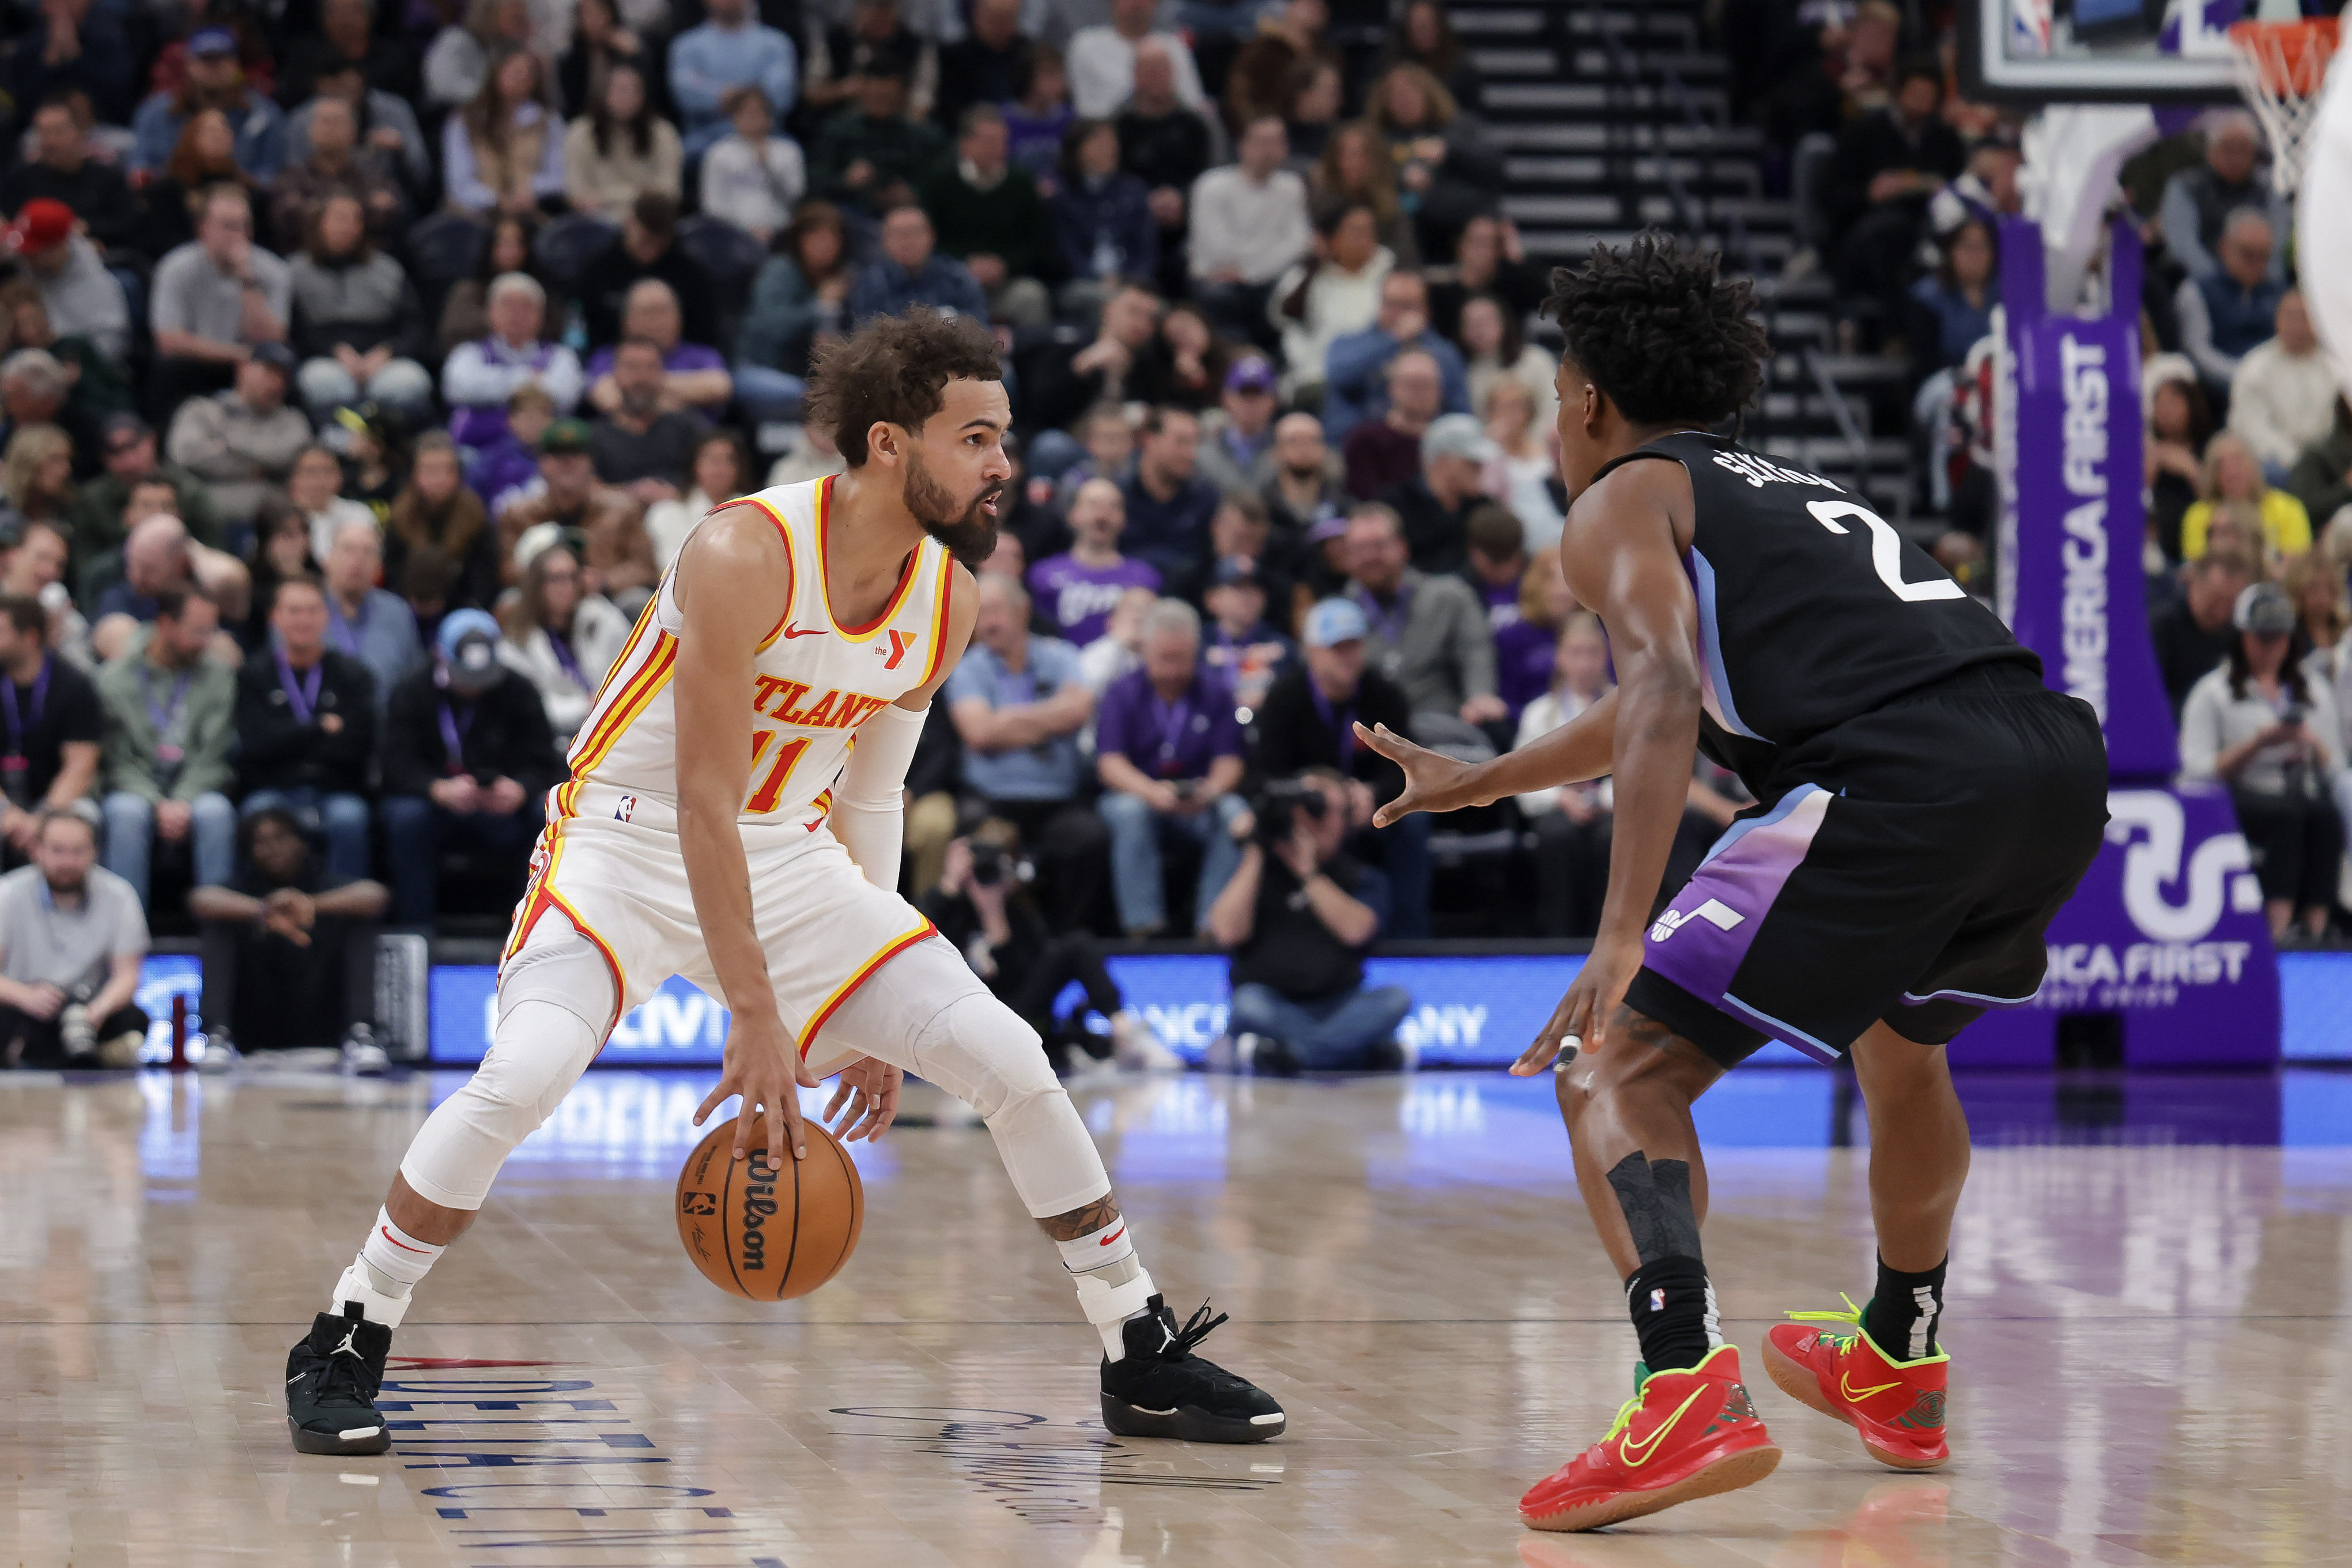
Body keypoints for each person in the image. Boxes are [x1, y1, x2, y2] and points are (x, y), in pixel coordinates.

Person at [283, 307, 1281, 1457]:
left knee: (1009, 1060)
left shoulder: (945, 596)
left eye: (1004, 436)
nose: (1005, 462)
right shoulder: (742, 551)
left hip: (792, 851)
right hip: (625, 840)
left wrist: (861, 999)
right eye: (976, 437)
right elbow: (702, 799)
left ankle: (1135, 1345)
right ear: (889, 445)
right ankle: (351, 1327)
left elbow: (873, 800)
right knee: (522, 1079)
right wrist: (762, 1014)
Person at [1357, 239, 2111, 1531]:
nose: (1554, 421)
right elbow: (1666, 692)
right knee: (1903, 1048)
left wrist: (1618, 932)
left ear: (1589, 401)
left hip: (1898, 778)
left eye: (1553, 396)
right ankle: (1899, 1354)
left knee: (1617, 1069)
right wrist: (1487, 779)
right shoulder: (1780, 486)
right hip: (2043, 763)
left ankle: (1680, 1385)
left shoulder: (1618, 500)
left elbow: (1656, 689)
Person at [1203, 765, 1410, 1072]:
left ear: (1346, 819)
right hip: (1271, 1001)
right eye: (1310, 807)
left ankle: (1285, 1055)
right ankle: (1354, 1055)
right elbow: (1225, 933)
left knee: (1396, 1000)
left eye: (1327, 810)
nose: (1318, 820)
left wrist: (1309, 874)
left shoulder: (1361, 877)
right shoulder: (1258, 869)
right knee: (1248, 1004)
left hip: (1340, 1004)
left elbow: (1357, 932)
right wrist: (1257, 847)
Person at [918, 829, 1172, 1074]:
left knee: (1078, 943)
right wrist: (949, 883)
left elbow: (1025, 980)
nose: (984, 878)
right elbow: (916, 951)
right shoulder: (948, 908)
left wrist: (994, 915)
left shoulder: (1020, 913)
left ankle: (1125, 1034)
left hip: (1014, 1017)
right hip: (961, 1022)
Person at [1251, 596, 1429, 937]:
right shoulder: (1284, 697)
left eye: (1354, 646)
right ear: (1311, 651)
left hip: (1368, 807)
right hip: (1304, 807)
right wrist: (1310, 793)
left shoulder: (1385, 695)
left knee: (1413, 823)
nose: (1348, 657)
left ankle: (1411, 936)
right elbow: (1265, 772)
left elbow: (1407, 768)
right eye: (1337, 649)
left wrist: (1372, 793)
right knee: (1253, 824)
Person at [946, 571, 1111, 933]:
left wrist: (1004, 721)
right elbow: (979, 733)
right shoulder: (967, 668)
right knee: (977, 844)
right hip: (991, 801)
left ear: (1023, 612)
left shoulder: (1062, 656)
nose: (987, 623)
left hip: (1058, 802)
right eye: (981, 614)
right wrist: (1052, 715)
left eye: (995, 611)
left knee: (1090, 839)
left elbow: (1079, 711)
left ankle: (1068, 945)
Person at [2180, 580, 2345, 942]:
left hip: (2299, 786)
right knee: (2287, 817)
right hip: (2240, 793)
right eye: (2263, 638)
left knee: (2324, 817)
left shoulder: (2313, 688)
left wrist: (2310, 743)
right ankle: (2278, 927)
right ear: (2243, 638)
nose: (2272, 649)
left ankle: (2318, 925)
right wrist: (2257, 744)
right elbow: (2196, 772)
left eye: (2280, 639)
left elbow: (2335, 766)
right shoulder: (2212, 693)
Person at [380, 610, 558, 924]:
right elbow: (395, 763)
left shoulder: (519, 689)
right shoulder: (411, 691)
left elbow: (545, 759)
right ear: (439, 655)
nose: (473, 687)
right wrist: (436, 789)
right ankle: (416, 930)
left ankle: (529, 930)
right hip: (436, 804)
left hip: (503, 806)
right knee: (406, 818)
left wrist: (521, 787)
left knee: (545, 815)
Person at [1094, 598, 1247, 936]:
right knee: (1131, 812)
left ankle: (1213, 925)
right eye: (1165, 658)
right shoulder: (1122, 692)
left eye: (1182, 659)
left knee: (1237, 812)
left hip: (1197, 799)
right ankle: (1144, 926)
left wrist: (1211, 791)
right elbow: (1109, 763)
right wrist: (1150, 792)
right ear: (1145, 651)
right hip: (1137, 794)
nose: (1174, 670)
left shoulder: (1216, 692)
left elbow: (1230, 760)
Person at [190, 807, 390, 1061]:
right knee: (218, 924)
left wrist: (309, 904)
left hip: (323, 1014)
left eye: (281, 838)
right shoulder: (243, 886)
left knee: (360, 920)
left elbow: (375, 895)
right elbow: (200, 900)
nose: (273, 848)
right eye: (261, 842)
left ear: (303, 843)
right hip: (256, 1017)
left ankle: (362, 1033)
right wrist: (265, 911)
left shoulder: (325, 882)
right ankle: (217, 1037)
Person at [96, 583, 236, 907]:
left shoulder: (219, 676)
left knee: (216, 813)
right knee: (125, 813)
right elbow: (115, 759)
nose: (206, 641)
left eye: (211, 631)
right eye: (197, 631)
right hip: (136, 787)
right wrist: (157, 803)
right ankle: (128, 929)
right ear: (165, 625)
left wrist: (183, 801)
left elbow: (214, 755)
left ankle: (218, 927)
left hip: (197, 787)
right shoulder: (114, 678)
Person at [235, 576, 376, 882]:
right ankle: (260, 912)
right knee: (258, 813)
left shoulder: (353, 675)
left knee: (349, 818)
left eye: (313, 610)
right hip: (273, 788)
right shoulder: (254, 675)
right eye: (294, 611)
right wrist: (319, 728)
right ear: (275, 617)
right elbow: (257, 745)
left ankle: (345, 911)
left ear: (326, 617)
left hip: (336, 789)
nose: (304, 620)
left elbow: (357, 746)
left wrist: (286, 736)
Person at [0, 810, 147, 1069]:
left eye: (78, 851)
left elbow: (128, 975)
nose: (67, 862)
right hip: (27, 1007)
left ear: (95, 852)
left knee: (134, 1020)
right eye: (57, 851)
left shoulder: (119, 894)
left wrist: (100, 1008)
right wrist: (26, 996)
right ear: (37, 850)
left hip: (92, 1010)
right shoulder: (8, 893)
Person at [1342, 500, 1501, 736]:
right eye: (1359, 549)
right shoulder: (1339, 612)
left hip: (1442, 726)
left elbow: (1475, 652)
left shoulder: (1449, 596)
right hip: (1369, 736)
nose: (1370, 557)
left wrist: (1479, 695)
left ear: (1402, 547)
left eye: (1379, 546)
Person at [287, 192, 433, 421]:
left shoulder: (388, 270)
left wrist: (386, 352)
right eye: (339, 219)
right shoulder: (296, 271)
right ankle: (340, 441)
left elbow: (414, 327)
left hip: (381, 359)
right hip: (326, 358)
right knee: (321, 381)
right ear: (319, 224)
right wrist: (335, 350)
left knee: (411, 382)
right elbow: (295, 330)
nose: (348, 227)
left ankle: (387, 440)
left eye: (355, 220)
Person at [148, 185, 293, 414]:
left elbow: (272, 340)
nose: (238, 235)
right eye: (228, 226)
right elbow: (168, 342)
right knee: (170, 371)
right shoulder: (175, 268)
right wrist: (238, 355)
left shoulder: (273, 271)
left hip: (250, 368)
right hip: (199, 363)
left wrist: (246, 279)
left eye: (245, 226)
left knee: (280, 370)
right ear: (203, 228)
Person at [1516, 612, 1615, 938]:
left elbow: (1643, 774)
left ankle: (1609, 938)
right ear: (1560, 658)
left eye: (1592, 653)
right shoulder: (1539, 713)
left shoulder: (1626, 706)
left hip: (1613, 807)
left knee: (1610, 837)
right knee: (1558, 836)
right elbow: (1520, 781)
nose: (1584, 663)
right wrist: (1562, 797)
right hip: (1558, 807)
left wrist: (1601, 797)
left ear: (1605, 656)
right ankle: (1559, 938)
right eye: (1575, 653)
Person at [918, 105, 1054, 328]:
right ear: (965, 145)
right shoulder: (940, 181)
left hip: (1007, 283)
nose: (997, 149)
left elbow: (1038, 243)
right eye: (988, 141)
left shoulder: (1022, 184)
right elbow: (929, 239)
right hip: (949, 281)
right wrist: (963, 264)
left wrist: (1004, 265)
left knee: (1032, 296)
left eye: (1001, 142)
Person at [496, 419, 656, 603]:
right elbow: (506, 571)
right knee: (510, 602)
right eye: (558, 454)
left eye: (576, 454)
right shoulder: (518, 516)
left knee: (637, 600)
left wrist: (603, 582)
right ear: (541, 464)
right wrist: (552, 578)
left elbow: (645, 567)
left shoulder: (623, 511)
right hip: (540, 604)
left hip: (608, 602)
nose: (567, 463)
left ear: (591, 463)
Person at [1188, 116, 1311, 346]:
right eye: (1262, 142)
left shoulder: (1292, 187)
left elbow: (1298, 242)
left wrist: (1251, 273)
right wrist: (1244, 270)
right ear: (1242, 145)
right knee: (1220, 296)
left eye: (1276, 142)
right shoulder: (1211, 185)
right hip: (1219, 280)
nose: (1268, 150)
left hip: (1268, 281)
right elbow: (1216, 245)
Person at [1362, 62, 1502, 260]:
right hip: (1401, 226)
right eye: (1396, 97)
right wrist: (1400, 176)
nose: (1405, 102)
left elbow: (1494, 170)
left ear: (1428, 95)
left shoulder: (1460, 128)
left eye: (1411, 94)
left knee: (1484, 227)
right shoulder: (1376, 138)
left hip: (1458, 220)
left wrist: (1451, 153)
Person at [0, 592, 100, 867]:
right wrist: (5, 811)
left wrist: (42, 819)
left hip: (60, 800)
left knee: (81, 821)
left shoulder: (74, 685)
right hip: (4, 801)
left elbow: (81, 766)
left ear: (30, 637)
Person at [497, 541, 632, 743]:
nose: (567, 587)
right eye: (557, 579)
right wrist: (588, 706)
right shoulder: (517, 641)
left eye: (573, 577)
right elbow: (531, 709)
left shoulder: (604, 619)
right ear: (537, 584)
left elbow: (631, 674)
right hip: (556, 739)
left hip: (615, 729)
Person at [165, 346, 311, 528]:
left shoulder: (293, 421)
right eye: (270, 371)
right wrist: (257, 470)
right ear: (244, 368)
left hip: (272, 524)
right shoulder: (201, 410)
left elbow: (286, 457)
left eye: (285, 378)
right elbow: (186, 454)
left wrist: (225, 445)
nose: (277, 384)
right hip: (206, 519)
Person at [131, 27, 286, 182]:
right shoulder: (157, 111)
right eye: (206, 59)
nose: (214, 67)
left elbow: (274, 175)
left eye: (220, 58)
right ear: (189, 64)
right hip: (171, 199)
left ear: (236, 63)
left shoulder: (264, 114)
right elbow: (140, 167)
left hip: (246, 200)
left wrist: (236, 181)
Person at [2158, 110, 2293, 285]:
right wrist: (2221, 285)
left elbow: (2278, 245)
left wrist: (2258, 281)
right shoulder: (2185, 187)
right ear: (2211, 151)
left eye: (2243, 150)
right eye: (2228, 149)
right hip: (2203, 287)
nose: (2236, 158)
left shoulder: (2270, 189)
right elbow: (2184, 246)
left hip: (2262, 285)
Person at [267, 94, 407, 255]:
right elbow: (288, 217)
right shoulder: (291, 177)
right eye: (324, 122)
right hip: (306, 260)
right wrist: (357, 213)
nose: (330, 129)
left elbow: (386, 211)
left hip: (367, 260)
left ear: (354, 131)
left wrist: (316, 210)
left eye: (338, 122)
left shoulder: (373, 175)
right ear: (310, 130)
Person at [1028, 477, 1161, 645]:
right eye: (1093, 505)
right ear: (1073, 514)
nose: (1102, 516)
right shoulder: (1043, 575)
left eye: (1113, 507)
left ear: (1124, 518)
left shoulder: (1144, 578)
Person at [1, 99, 140, 259]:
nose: (50, 142)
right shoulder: (21, 180)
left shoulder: (108, 178)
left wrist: (87, 227)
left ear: (79, 134)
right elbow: (11, 225)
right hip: (34, 264)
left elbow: (129, 225)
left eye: (58, 132)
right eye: (43, 133)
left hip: (104, 260)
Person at [577, 194, 719, 349]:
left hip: (679, 360)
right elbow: (586, 328)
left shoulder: (691, 275)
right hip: (613, 358)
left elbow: (705, 335)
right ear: (629, 224)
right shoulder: (600, 270)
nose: (651, 250)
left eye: (659, 243)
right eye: (645, 240)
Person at [2229, 290, 2339, 483]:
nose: (2297, 326)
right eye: (2290, 317)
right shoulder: (2255, 367)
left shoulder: (2336, 368)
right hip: (2273, 462)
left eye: (2305, 317)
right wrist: (2298, 461)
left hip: (2325, 460)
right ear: (2277, 320)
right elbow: (2254, 430)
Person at [809, 66, 947, 219]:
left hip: (908, 217)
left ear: (902, 95)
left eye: (888, 96)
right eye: (875, 95)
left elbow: (942, 184)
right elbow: (815, 183)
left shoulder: (924, 137)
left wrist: (914, 193)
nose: (882, 102)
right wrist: (845, 182)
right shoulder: (837, 131)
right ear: (862, 93)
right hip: (850, 215)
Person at [386, 433, 502, 614]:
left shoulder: (476, 519)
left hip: (463, 610)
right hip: (407, 610)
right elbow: (392, 575)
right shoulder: (399, 518)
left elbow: (485, 580)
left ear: (457, 474)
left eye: (444, 470)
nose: (438, 479)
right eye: (430, 471)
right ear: (415, 474)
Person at [444, 46, 565, 218]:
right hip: (476, 216)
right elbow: (459, 184)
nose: (521, 78)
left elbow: (559, 176)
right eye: (514, 71)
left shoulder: (548, 121)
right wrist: (496, 200)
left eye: (528, 73)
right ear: (495, 72)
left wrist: (531, 189)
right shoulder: (464, 121)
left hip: (530, 213)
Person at [4, 199, 130, 363]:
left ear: (56, 247)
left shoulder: (95, 284)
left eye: (33, 251)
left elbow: (109, 347)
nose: (25, 256)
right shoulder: (26, 268)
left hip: (79, 371)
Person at [668, 0, 798, 158]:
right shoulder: (687, 45)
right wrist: (749, 96)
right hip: (704, 143)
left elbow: (781, 94)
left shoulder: (776, 43)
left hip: (767, 139)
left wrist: (727, 97)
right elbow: (686, 94)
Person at [2176, 210, 2286, 395]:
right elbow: (2199, 352)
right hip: (2219, 394)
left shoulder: (2279, 293)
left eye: (2264, 256)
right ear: (2225, 247)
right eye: (2248, 254)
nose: (2257, 263)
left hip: (2277, 389)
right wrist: (2246, 377)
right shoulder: (2196, 292)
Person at [319, 519, 422, 712]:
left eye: (368, 552)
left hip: (383, 727)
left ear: (378, 566)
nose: (358, 560)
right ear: (328, 559)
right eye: (348, 549)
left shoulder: (398, 613)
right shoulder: (304, 609)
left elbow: (413, 682)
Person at [1117, 405, 1220, 595]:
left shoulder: (1205, 498)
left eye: (1194, 443)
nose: (1191, 453)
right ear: (1150, 440)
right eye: (1181, 442)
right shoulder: (1118, 494)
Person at [1050, 118, 1157, 301]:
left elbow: (1146, 249)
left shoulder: (1134, 191)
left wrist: (1131, 279)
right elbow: (1067, 255)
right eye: (1099, 143)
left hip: (1132, 283)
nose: (1109, 149)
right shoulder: (1064, 199)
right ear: (1078, 150)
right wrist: (1099, 279)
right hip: (1083, 284)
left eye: (1112, 142)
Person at [590, 338, 709, 501]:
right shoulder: (594, 436)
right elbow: (586, 488)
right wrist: (629, 494)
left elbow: (715, 477)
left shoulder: (688, 428)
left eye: (650, 368)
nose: (641, 377)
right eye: (631, 368)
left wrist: (677, 496)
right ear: (615, 375)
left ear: (663, 374)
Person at [564, 63, 682, 223]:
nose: (626, 97)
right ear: (603, 93)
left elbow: (669, 192)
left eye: (634, 91)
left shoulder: (663, 133)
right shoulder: (580, 133)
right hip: (598, 221)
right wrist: (638, 195)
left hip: (649, 219)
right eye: (619, 90)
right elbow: (577, 195)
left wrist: (609, 198)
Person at [1380, 412, 1492, 576]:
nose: (1480, 468)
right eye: (1472, 462)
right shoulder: (1395, 506)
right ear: (1444, 460)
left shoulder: (1484, 509)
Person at [699, 85, 807, 246]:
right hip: (731, 235)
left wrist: (768, 166)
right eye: (746, 113)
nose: (752, 119)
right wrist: (746, 229)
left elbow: (795, 196)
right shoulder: (718, 153)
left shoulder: (788, 151)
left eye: (758, 113)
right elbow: (712, 204)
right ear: (735, 118)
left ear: (770, 118)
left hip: (780, 233)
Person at [2181, 431, 2312, 563]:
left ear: (2254, 464)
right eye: (2221, 464)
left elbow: (2297, 568)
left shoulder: (2288, 508)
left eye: (2237, 459)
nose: (2230, 469)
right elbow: (2197, 570)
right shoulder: (2198, 516)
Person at [845, 204, 988, 325]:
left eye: (915, 232)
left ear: (932, 236)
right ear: (885, 241)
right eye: (898, 233)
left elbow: (979, 323)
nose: (907, 242)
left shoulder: (958, 278)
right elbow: (864, 331)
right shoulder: (870, 283)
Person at [1342, 347, 1442, 502]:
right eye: (1413, 385)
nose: (1420, 393)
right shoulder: (1365, 440)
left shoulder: (1447, 444)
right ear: (1393, 388)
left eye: (1427, 385)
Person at [645, 430, 754, 569]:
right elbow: (671, 571)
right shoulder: (666, 513)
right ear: (695, 465)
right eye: (713, 460)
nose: (721, 468)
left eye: (730, 460)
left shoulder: (754, 512)